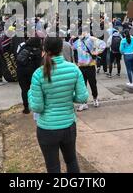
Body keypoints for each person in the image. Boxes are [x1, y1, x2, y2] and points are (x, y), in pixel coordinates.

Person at [28, 37, 89, 173]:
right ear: (61, 48)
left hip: (47, 128)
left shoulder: (38, 74)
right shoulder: (73, 69)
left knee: (53, 167)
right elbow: (82, 97)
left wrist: (29, 94)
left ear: (44, 50)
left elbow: (37, 107)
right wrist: (68, 97)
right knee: (71, 160)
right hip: (68, 126)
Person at [72, 29, 106, 111]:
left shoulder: (91, 39)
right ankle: (83, 103)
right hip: (81, 66)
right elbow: (72, 47)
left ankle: (95, 99)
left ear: (85, 32)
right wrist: (71, 39)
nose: (80, 35)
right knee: (82, 86)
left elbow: (103, 44)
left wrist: (96, 52)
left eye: (81, 33)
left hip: (90, 65)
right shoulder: (78, 41)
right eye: (79, 34)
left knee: (93, 84)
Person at [16, 37, 43, 114]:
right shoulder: (38, 51)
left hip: (20, 71)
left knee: (24, 89)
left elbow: (17, 57)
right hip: (32, 72)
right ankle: (34, 106)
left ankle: (26, 108)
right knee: (34, 89)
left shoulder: (23, 47)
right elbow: (38, 65)